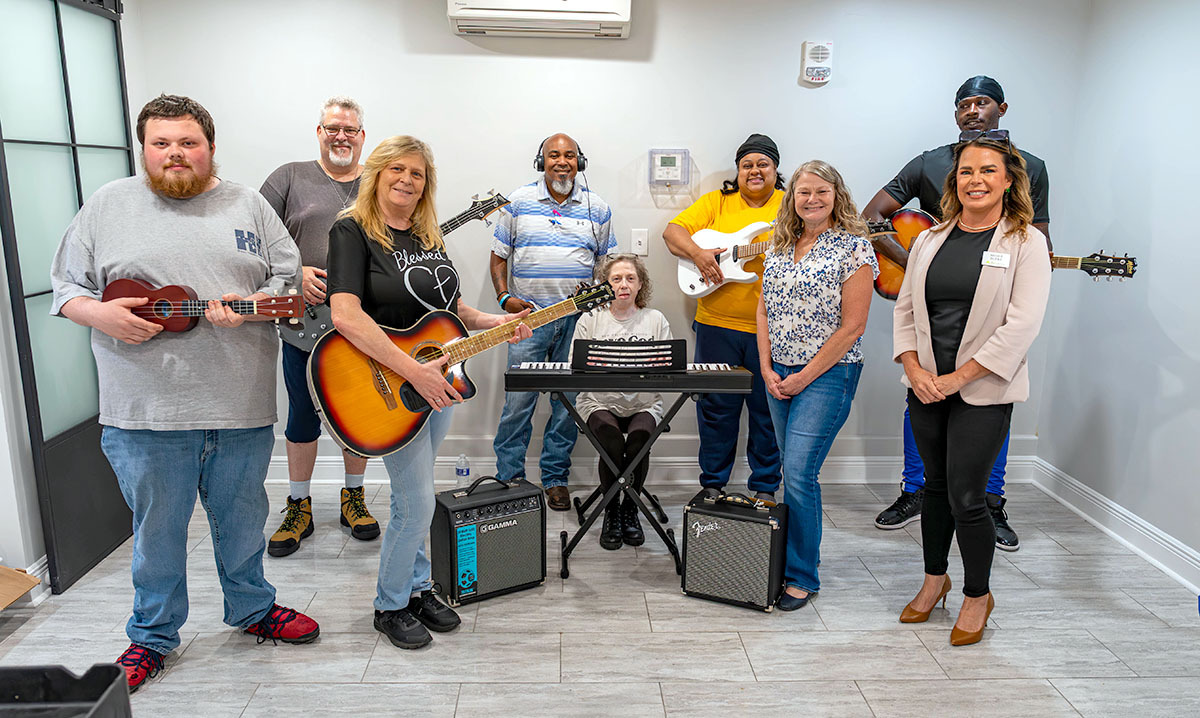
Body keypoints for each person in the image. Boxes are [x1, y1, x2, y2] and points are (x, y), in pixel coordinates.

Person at [49, 94, 318, 693]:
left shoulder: (249, 205)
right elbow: (65, 287)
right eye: (161, 143)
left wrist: (250, 305)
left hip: (240, 404)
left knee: (244, 519)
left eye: (188, 142)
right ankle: (151, 636)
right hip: (144, 411)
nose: (175, 153)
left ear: (210, 148)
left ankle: (252, 608)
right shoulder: (107, 205)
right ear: (144, 149)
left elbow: (289, 283)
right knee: (157, 534)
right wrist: (100, 314)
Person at [326, 135, 531, 650]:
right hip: (389, 386)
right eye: (397, 169)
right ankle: (390, 605)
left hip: (436, 383)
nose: (407, 180)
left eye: (417, 173)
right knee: (416, 504)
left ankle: (417, 589)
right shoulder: (351, 230)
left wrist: (498, 322)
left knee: (411, 495)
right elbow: (345, 315)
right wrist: (413, 372)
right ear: (377, 173)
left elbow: (451, 310)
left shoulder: (426, 236)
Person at [864, 75, 1051, 551]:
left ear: (1001, 109)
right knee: (922, 401)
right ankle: (916, 491)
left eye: (982, 102)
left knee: (991, 403)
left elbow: (1040, 238)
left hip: (991, 309)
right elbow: (870, 218)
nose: (972, 110)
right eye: (964, 104)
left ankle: (990, 501)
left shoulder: (1031, 167)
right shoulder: (929, 163)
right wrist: (914, 260)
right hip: (934, 311)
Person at [892, 131, 1051, 645]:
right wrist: (915, 370)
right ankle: (934, 580)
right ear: (953, 181)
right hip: (925, 386)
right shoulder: (929, 239)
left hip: (983, 391)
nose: (975, 180)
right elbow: (906, 311)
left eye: (987, 171)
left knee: (967, 495)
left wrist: (957, 379)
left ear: (1008, 181)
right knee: (933, 488)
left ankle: (977, 594)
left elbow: (1021, 325)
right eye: (966, 171)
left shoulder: (1026, 243)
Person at [756, 161, 877, 611]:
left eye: (821, 191)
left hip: (828, 374)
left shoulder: (854, 249)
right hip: (778, 373)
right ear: (792, 198)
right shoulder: (778, 245)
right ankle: (792, 559)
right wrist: (766, 368)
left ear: (836, 195)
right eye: (803, 192)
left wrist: (803, 377)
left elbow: (854, 326)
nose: (812, 199)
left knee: (799, 474)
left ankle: (802, 576)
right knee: (790, 471)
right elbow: (763, 310)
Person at [260, 95, 377, 556]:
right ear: (319, 132)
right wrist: (295, 274)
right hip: (301, 324)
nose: (340, 136)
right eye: (333, 128)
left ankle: (354, 497)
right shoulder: (287, 178)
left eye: (349, 129)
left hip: (363, 325)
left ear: (362, 136)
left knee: (358, 414)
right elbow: (252, 243)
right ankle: (298, 505)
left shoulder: (378, 181)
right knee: (302, 415)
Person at [489, 133, 615, 511]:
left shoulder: (598, 208)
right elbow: (499, 256)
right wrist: (504, 298)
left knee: (568, 406)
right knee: (518, 404)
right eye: (554, 155)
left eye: (570, 156)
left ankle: (555, 478)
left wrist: (597, 288)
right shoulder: (518, 202)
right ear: (541, 161)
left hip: (578, 321)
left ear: (580, 162)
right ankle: (510, 478)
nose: (562, 162)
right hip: (528, 321)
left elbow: (606, 265)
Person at [662, 134, 784, 502]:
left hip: (773, 330)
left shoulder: (791, 204)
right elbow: (672, 232)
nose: (754, 170)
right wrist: (699, 254)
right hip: (716, 325)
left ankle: (765, 489)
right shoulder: (717, 201)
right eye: (747, 165)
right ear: (738, 170)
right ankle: (712, 484)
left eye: (762, 164)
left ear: (776, 169)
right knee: (716, 408)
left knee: (768, 410)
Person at [570, 254, 672, 550]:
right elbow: (575, 366)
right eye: (616, 279)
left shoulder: (655, 320)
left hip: (643, 403)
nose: (623, 285)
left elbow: (669, 367)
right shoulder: (590, 319)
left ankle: (631, 508)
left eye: (630, 278)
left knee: (640, 440)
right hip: (598, 402)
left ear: (641, 285)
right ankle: (611, 509)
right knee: (611, 440)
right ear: (605, 285)